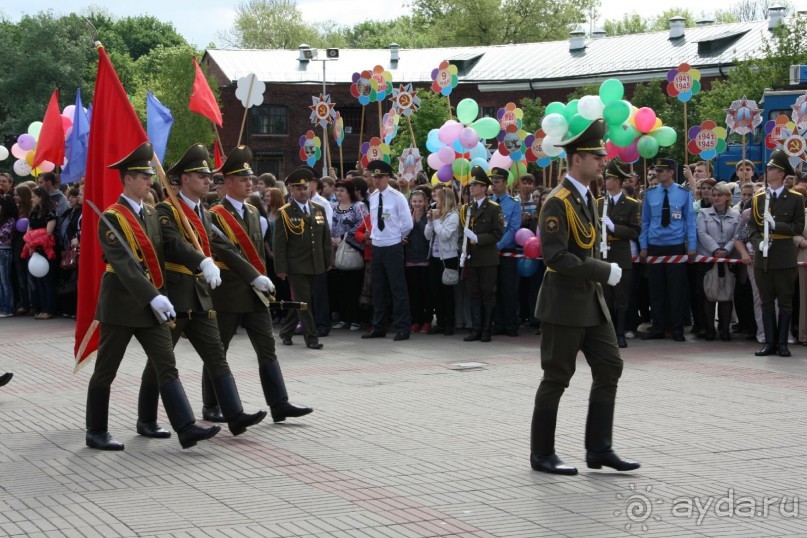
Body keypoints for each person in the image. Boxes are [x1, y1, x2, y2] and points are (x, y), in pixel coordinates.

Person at [86, 142, 221, 450]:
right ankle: (95, 430)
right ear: (128, 179)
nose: (150, 181)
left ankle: (184, 427)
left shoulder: (150, 213)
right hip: (122, 306)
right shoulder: (112, 217)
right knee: (106, 370)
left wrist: (199, 262)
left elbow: (164, 254)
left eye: (149, 175)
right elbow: (123, 266)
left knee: (166, 364)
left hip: (154, 305)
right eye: (143, 176)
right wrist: (153, 297)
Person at [529, 119, 637, 476]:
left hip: (590, 301)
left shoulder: (587, 197)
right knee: (557, 377)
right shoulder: (557, 202)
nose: (603, 161)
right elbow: (556, 257)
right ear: (577, 159)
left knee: (610, 366)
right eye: (596, 155)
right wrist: (603, 271)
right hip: (563, 302)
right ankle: (542, 454)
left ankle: (599, 449)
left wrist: (599, 274)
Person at [140, 143, 267, 436]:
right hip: (175, 295)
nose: (210, 181)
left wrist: (253, 276)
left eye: (210, 176)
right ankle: (145, 419)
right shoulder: (166, 209)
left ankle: (234, 414)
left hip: (201, 295)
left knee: (216, 355)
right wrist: (202, 260)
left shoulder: (203, 211)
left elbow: (222, 246)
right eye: (202, 176)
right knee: (162, 360)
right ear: (185, 179)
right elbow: (174, 244)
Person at [208, 146, 313, 422]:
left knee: (267, 347)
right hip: (229, 292)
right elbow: (224, 253)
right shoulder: (215, 214)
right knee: (219, 349)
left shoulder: (254, 212)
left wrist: (263, 280)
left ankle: (279, 403)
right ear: (228, 182)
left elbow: (256, 251)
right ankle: (211, 405)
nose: (249, 184)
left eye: (251, 179)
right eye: (243, 180)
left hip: (255, 295)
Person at [749, 149, 805, 357]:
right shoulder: (758, 199)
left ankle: (782, 343)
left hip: (784, 257)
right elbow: (752, 229)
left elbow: (798, 228)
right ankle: (769, 343)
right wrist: (758, 244)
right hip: (763, 258)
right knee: (765, 302)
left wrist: (777, 225)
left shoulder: (795, 199)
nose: (768, 170)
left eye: (772, 168)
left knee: (785, 302)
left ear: (781, 174)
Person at [274, 166, 333, 350]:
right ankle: (311, 338)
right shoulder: (285, 212)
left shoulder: (318, 209)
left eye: (305, 187)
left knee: (302, 302)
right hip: (296, 265)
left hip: (316, 263)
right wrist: (281, 268)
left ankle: (285, 331)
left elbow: (325, 238)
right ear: (291, 190)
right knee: (304, 302)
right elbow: (280, 244)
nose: (302, 191)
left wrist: (328, 260)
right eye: (298, 188)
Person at [639, 158, 696, 341]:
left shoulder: (683, 193)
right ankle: (658, 327)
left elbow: (690, 221)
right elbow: (645, 222)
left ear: (671, 172)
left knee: (676, 290)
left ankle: (677, 328)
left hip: (675, 245)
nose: (657, 173)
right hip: (655, 245)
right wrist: (644, 246)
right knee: (656, 289)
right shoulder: (650, 193)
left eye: (662, 170)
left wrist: (692, 246)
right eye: (656, 170)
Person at [361, 160, 413, 341]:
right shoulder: (373, 197)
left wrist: (396, 237)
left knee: (398, 289)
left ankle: (402, 327)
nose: (377, 180)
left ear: (387, 177)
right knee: (378, 288)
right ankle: (379, 326)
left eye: (380, 177)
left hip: (392, 246)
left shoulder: (397, 197)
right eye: (374, 177)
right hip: (377, 246)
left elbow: (407, 223)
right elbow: (375, 222)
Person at [596, 160, 641, 348]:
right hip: (603, 255)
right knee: (605, 297)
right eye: (606, 177)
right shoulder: (598, 203)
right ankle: (608, 333)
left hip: (621, 254)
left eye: (610, 178)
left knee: (621, 297)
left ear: (619, 181)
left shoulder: (631, 204)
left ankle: (620, 333)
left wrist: (615, 228)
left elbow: (635, 231)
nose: (606, 181)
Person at [459, 167, 504, 342]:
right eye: (471, 185)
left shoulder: (493, 208)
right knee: (474, 294)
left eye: (476, 185)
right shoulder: (467, 208)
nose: (472, 188)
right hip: (472, 258)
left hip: (487, 259)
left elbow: (497, 233)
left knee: (487, 294)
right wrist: (463, 250)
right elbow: (462, 233)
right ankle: (475, 329)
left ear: (484, 188)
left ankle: (486, 330)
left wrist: (478, 238)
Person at [696, 183, 741, 340]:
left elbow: (737, 236)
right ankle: (710, 329)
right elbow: (701, 233)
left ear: (727, 197)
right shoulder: (703, 213)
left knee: (726, 294)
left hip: (728, 259)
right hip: (709, 258)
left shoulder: (736, 216)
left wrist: (726, 251)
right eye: (714, 195)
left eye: (719, 195)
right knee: (709, 294)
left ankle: (725, 330)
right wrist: (715, 250)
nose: (715, 198)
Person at [329, 179, 368, 331]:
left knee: (354, 287)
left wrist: (344, 236)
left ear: (350, 192)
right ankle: (343, 317)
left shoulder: (359, 207)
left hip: (352, 249)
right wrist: (332, 238)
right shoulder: (333, 207)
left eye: (342, 190)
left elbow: (363, 225)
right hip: (335, 250)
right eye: (337, 190)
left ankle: (355, 319)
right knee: (339, 287)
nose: (338, 193)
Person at [424, 186, 460, 335]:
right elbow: (427, 235)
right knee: (435, 291)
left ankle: (449, 324)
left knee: (447, 292)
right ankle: (439, 322)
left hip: (448, 258)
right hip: (434, 256)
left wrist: (437, 221)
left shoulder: (453, 216)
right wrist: (430, 222)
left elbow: (445, 235)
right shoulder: (436, 215)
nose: (434, 200)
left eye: (437, 197)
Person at [490, 168, 521, 337]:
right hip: (491, 251)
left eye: (497, 182)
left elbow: (514, 228)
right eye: (492, 182)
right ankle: (498, 323)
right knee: (495, 288)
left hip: (506, 250)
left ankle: (511, 324)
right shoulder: (490, 202)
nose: (493, 185)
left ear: (505, 183)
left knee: (508, 289)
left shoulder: (513, 203)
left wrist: (499, 245)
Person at [26, 187, 57, 319]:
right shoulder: (33, 212)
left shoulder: (50, 212)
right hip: (35, 249)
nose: (32, 199)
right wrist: (29, 241)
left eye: (34, 196)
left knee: (48, 281)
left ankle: (49, 309)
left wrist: (34, 238)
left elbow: (48, 231)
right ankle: (42, 308)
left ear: (40, 197)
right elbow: (29, 230)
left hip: (47, 248)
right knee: (38, 280)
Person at [405, 190, 432, 333]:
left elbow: (428, 235)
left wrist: (418, 222)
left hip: (424, 259)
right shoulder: (407, 215)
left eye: (420, 201)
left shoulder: (428, 216)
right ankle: (416, 320)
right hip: (410, 259)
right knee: (414, 293)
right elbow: (404, 232)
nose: (417, 204)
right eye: (414, 201)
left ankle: (427, 321)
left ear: (425, 202)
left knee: (425, 292)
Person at [0, 195, 17, 317]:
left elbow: (4, 235)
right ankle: (2, 306)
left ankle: (8, 307)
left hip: (5, 252)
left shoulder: (10, 221)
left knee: (5, 280)